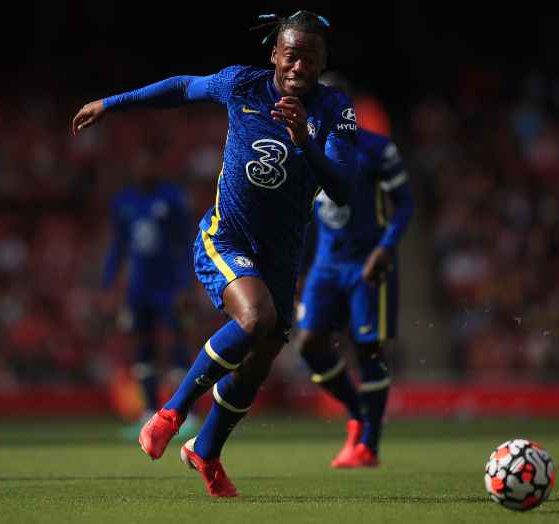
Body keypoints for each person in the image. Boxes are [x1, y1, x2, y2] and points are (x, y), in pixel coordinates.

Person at [73, 10, 357, 497]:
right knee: (255, 319)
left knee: (259, 360)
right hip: (226, 237)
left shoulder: (335, 110)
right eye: (291, 54)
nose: (298, 66)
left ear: (322, 61)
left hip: (281, 255)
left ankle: (206, 451)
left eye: (310, 57)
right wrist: (111, 102)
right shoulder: (242, 86)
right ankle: (170, 412)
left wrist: (306, 139)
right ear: (274, 54)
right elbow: (183, 86)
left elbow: (344, 187)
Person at [295, 71, 414, 468]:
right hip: (325, 267)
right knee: (309, 345)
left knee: (369, 350)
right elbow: (304, 217)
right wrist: (296, 271)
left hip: (367, 265)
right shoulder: (303, 149)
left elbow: (406, 204)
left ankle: (369, 445)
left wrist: (386, 248)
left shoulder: (378, 149)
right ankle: (357, 411)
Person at [101, 155, 199, 440]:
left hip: (169, 287)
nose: (144, 168)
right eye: (139, 164)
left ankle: (186, 413)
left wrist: (186, 285)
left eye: (149, 163)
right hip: (137, 289)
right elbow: (117, 247)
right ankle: (148, 411)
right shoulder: (123, 202)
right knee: (143, 348)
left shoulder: (173, 199)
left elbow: (187, 243)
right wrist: (109, 285)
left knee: (178, 344)